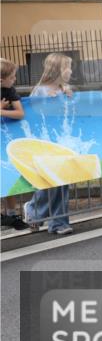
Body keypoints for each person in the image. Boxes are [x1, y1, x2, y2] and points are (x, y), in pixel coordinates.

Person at [24, 53, 75, 235]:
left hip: (64, 142)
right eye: (67, 67)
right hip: (46, 143)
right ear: (56, 70)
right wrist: (47, 102)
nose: (70, 71)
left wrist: (69, 98)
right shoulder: (40, 91)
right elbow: (32, 115)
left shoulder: (66, 89)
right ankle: (33, 209)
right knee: (50, 182)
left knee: (63, 182)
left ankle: (59, 222)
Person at [0, 58, 29, 230]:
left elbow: (20, 113)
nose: (15, 79)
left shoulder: (9, 90)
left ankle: (12, 214)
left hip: (4, 140)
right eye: (12, 77)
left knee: (7, 175)